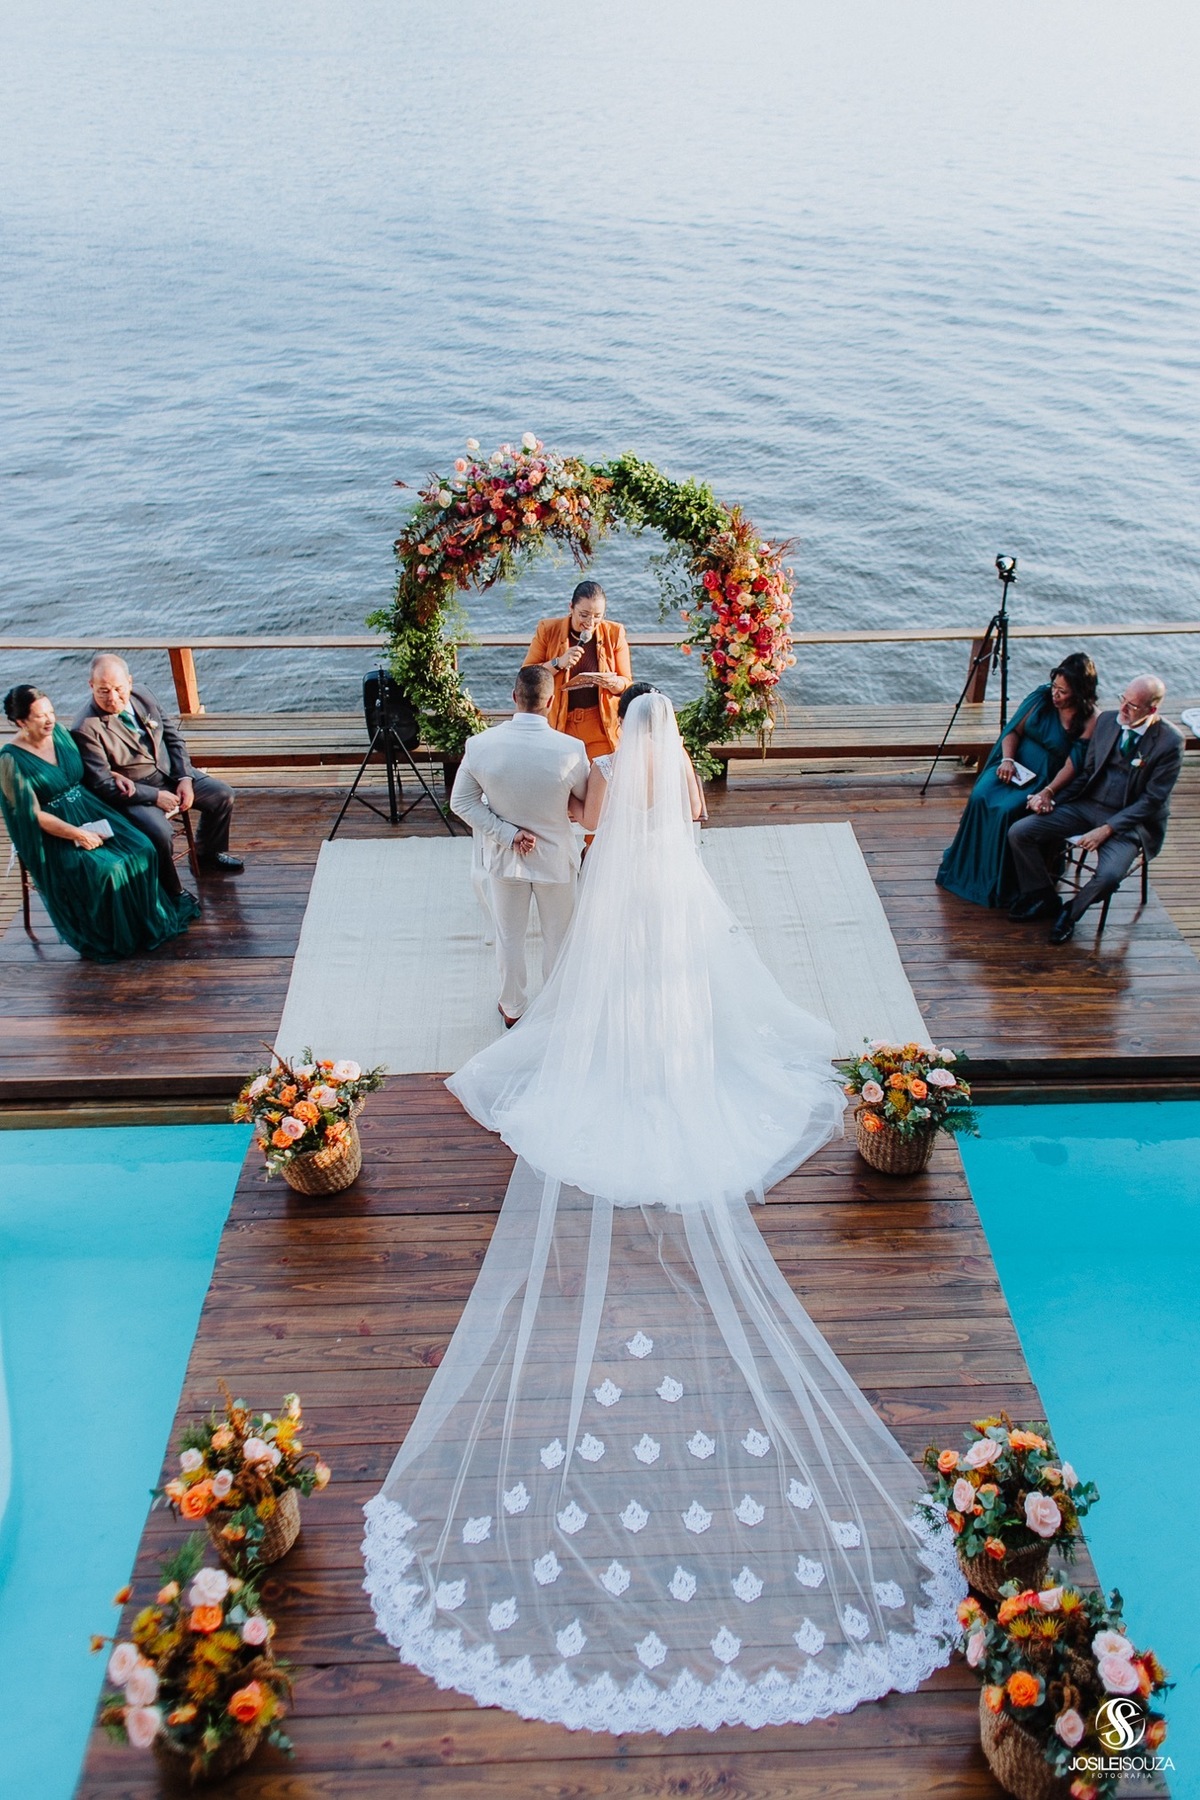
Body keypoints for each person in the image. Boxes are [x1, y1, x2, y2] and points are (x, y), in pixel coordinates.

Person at [363, 691, 963, 1735]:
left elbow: (592, 825)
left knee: (613, 983)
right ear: (674, 736)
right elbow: (689, 815)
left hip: (621, 892)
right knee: (689, 988)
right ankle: (674, 1066)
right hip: (678, 891)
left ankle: (625, 1065)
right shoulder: (679, 776)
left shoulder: (599, 772)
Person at [0, 685, 199, 960]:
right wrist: (77, 835)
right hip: (55, 829)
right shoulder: (10, 759)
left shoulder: (58, 734)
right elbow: (31, 815)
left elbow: (87, 767)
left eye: (51, 712)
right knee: (108, 868)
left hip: (89, 807)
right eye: (39, 716)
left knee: (142, 847)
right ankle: (117, 935)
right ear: (21, 721)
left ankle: (145, 922)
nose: (49, 720)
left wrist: (114, 774)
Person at [449, 664, 590, 1027]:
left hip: (504, 857)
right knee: (558, 937)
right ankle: (555, 1006)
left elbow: (461, 803)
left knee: (509, 936)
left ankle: (512, 1006)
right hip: (556, 858)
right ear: (551, 701)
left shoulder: (480, 746)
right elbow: (583, 804)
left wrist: (508, 833)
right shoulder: (572, 749)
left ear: (514, 698)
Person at [1007, 674, 1184, 944]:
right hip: (1087, 806)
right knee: (1020, 831)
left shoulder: (1169, 742)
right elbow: (1086, 772)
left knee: (1110, 876)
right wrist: (1052, 796)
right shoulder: (1105, 721)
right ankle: (1043, 895)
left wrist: (1107, 830)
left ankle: (1071, 912)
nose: (1123, 709)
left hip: (1128, 824)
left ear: (1152, 710)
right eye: (1123, 699)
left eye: (1133, 706)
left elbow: (1151, 801)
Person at [72, 654, 242, 897]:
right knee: (161, 833)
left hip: (170, 773)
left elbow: (173, 739)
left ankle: (207, 854)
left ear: (129, 682)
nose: (113, 698)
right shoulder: (85, 727)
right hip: (134, 792)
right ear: (91, 686)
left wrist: (185, 778)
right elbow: (103, 784)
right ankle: (173, 890)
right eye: (103, 691)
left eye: (119, 689)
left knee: (223, 795)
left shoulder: (144, 695)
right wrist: (155, 797)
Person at [936, 654, 1098, 908]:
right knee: (981, 795)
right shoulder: (1041, 697)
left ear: (1079, 692)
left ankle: (1000, 881)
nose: (1055, 694)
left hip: (1046, 778)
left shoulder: (1090, 719)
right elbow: (1012, 731)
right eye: (1054, 686)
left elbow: (1073, 764)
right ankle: (966, 868)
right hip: (1014, 764)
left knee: (1005, 810)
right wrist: (1007, 760)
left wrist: (1048, 791)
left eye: (1063, 691)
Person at [523, 579, 633, 762]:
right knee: (565, 783)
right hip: (560, 722)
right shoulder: (548, 630)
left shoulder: (614, 633)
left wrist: (613, 683)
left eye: (598, 616)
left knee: (601, 784)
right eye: (584, 615)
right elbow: (526, 676)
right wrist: (558, 663)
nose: (591, 622)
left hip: (600, 725)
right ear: (571, 608)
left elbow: (627, 682)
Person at [580, 680, 706, 835]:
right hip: (665, 851)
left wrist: (570, 799)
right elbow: (694, 811)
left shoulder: (604, 767)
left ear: (620, 721)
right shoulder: (678, 754)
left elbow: (591, 823)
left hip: (620, 853)